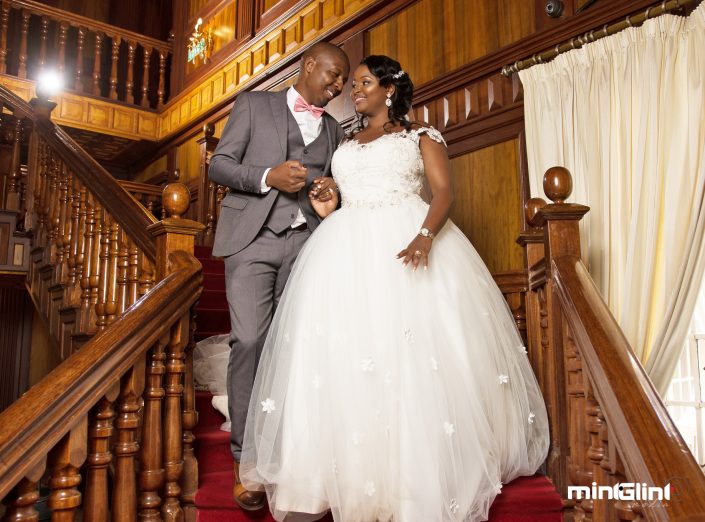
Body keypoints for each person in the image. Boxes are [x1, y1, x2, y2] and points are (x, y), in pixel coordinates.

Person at [240, 55, 550, 521]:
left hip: (405, 241)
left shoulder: (419, 135)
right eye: (352, 83)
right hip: (344, 250)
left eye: (363, 82)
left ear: (390, 89)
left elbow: (443, 192)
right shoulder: (344, 140)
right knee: (342, 358)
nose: (354, 91)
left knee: (405, 355)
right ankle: (328, 474)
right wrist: (328, 203)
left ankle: (408, 481)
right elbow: (344, 196)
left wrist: (424, 236)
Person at [208, 41, 350, 511]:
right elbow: (219, 166)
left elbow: (328, 185)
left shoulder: (333, 129)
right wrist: (267, 175)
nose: (336, 86)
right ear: (309, 65)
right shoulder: (254, 104)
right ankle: (246, 461)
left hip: (306, 244)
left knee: (293, 352)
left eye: (342, 82)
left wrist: (327, 188)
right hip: (252, 241)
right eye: (332, 76)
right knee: (249, 342)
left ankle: (288, 455)